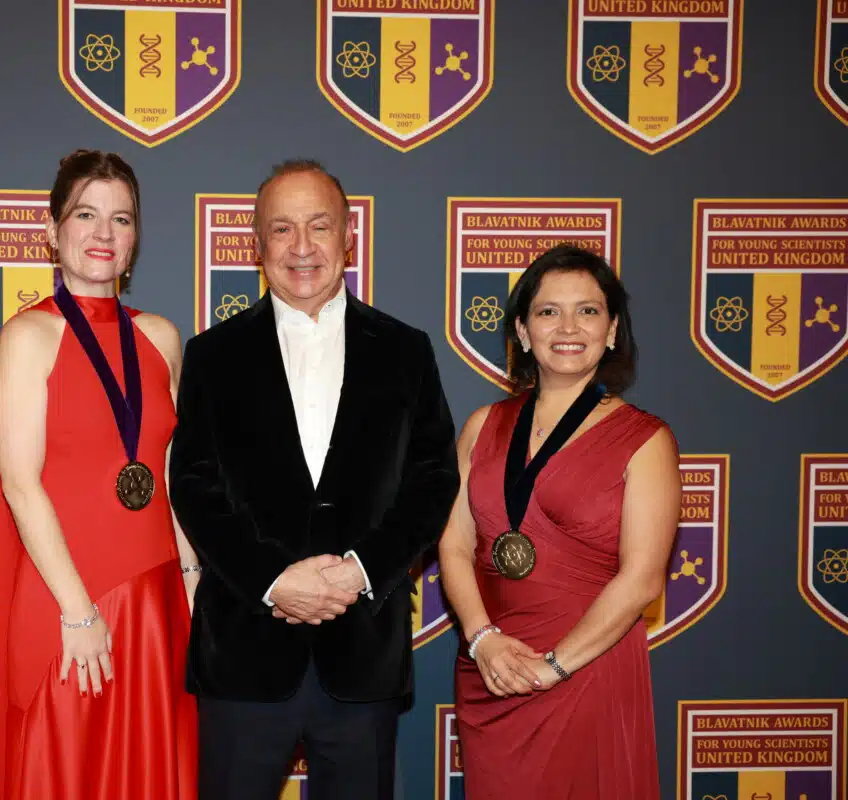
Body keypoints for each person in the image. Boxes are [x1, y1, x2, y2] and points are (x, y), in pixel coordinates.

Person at [168, 159, 459, 800]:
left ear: (348, 235)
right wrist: (274, 580)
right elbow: (193, 484)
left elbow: (433, 479)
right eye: (282, 229)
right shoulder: (212, 356)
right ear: (257, 243)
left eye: (319, 226)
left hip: (362, 658)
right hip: (244, 654)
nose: (302, 247)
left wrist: (360, 571)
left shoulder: (406, 350)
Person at [0, 149, 199, 800]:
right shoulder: (29, 337)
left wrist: (190, 581)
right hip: (65, 601)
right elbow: (20, 483)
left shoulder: (160, 338)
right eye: (86, 215)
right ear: (52, 231)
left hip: (156, 605)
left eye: (121, 219)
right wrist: (77, 611)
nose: (104, 234)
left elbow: (164, 472)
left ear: (135, 240)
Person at [437, 244, 682, 799]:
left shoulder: (646, 441)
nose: (568, 326)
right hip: (492, 672)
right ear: (522, 331)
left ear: (612, 329)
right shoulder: (482, 426)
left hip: (586, 669)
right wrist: (482, 641)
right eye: (549, 311)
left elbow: (642, 578)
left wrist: (553, 668)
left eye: (588, 311)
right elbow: (452, 546)